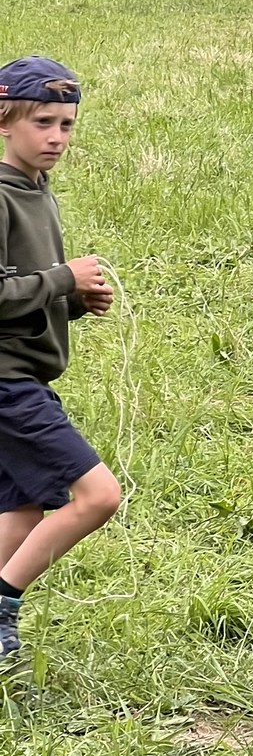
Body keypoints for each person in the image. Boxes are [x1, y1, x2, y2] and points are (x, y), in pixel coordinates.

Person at [0, 58, 121, 668]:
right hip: (6, 384)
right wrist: (62, 279)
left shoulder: (36, 189)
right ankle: (3, 602)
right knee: (98, 495)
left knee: (20, 513)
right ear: (4, 121)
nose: (56, 137)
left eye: (67, 125)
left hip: (22, 374)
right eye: (42, 122)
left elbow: (25, 292)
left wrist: (72, 301)